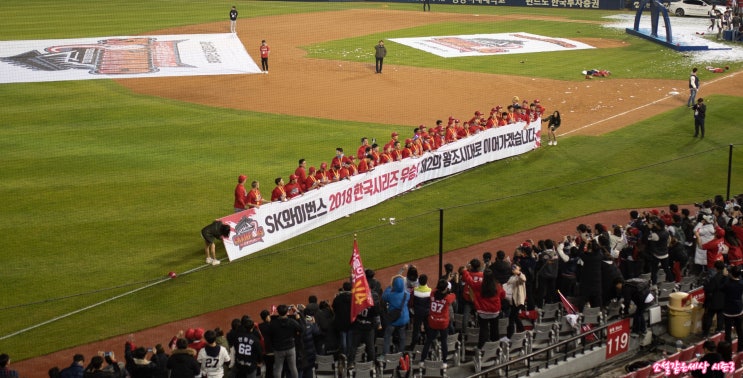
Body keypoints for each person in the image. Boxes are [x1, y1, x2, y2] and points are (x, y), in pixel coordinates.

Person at [462, 268, 505, 348]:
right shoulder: (497, 285)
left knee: (483, 330)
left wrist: (465, 271)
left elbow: (470, 281)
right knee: (495, 330)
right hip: (495, 312)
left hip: (483, 312)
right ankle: (495, 347)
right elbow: (503, 295)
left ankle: (481, 348)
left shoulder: (479, 285)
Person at [420, 279, 455, 363]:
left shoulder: (432, 294)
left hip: (433, 322)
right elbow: (453, 295)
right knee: (444, 342)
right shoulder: (448, 298)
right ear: (446, 288)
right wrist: (447, 291)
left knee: (428, 341)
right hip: (443, 323)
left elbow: (435, 290)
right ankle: (444, 361)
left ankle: (422, 360)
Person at [268, 304, 302, 378]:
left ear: (278, 312)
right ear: (287, 312)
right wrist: (298, 318)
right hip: (291, 348)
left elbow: (270, 335)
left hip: (278, 349)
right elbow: (301, 329)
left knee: (278, 369)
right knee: (293, 368)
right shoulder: (292, 321)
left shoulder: (273, 323)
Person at [381, 275, 410, 355]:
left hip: (393, 320)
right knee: (402, 337)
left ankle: (386, 354)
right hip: (403, 319)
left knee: (387, 337)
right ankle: (401, 353)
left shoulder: (390, 295)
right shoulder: (407, 294)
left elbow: (384, 296)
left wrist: (390, 286)